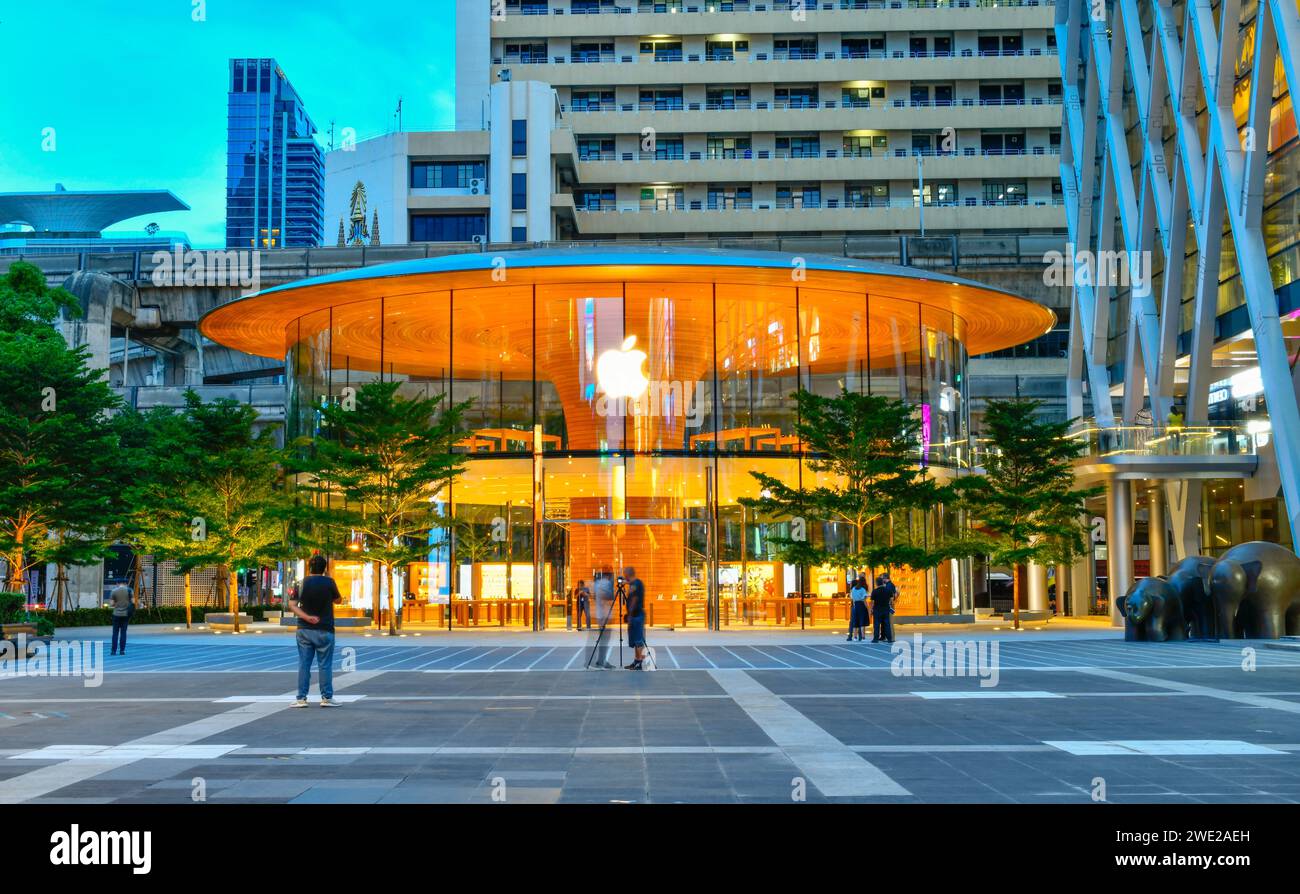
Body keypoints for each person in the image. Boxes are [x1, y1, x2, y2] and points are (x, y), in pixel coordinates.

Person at [289, 554, 343, 707]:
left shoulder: (300, 583)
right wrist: (329, 579)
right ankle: (326, 697)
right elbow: (338, 600)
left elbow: (292, 605)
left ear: (309, 567)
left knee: (304, 664)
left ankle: (301, 698)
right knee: (325, 665)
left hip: (304, 629)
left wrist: (307, 617)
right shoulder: (329, 582)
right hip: (325, 628)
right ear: (324, 568)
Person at [587, 571, 616, 669]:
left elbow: (594, 597)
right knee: (604, 640)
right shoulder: (606, 584)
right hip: (605, 616)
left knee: (603, 640)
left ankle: (601, 660)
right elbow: (605, 598)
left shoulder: (596, 584)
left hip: (600, 615)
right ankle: (601, 662)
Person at [622, 566, 647, 670]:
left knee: (638, 640)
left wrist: (630, 615)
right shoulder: (635, 583)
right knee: (635, 640)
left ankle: (639, 662)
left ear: (628, 574)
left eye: (624, 574)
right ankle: (636, 661)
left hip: (636, 615)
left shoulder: (635, 584)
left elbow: (634, 600)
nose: (624, 576)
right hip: (636, 615)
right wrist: (626, 583)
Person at [870, 572, 897, 644]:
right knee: (887, 624)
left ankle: (875, 639)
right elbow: (892, 600)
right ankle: (889, 638)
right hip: (886, 609)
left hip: (877, 610)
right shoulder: (888, 590)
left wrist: (871, 610)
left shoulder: (874, 591)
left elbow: (872, 602)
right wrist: (892, 607)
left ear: (876, 583)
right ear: (882, 582)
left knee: (876, 624)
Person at [109, 583, 133, 656]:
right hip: (125, 614)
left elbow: (111, 604)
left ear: (117, 583)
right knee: (123, 633)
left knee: (115, 633)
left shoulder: (114, 591)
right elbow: (133, 602)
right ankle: (122, 650)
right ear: (125, 584)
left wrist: (117, 604)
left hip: (116, 614)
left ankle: (113, 651)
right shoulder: (129, 591)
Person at [847, 576, 869, 641]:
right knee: (862, 622)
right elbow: (864, 600)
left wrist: (854, 605)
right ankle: (863, 637)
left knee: (855, 622)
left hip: (855, 606)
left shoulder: (853, 589)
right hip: (861, 606)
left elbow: (852, 598)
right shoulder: (863, 589)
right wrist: (867, 608)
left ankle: (855, 637)